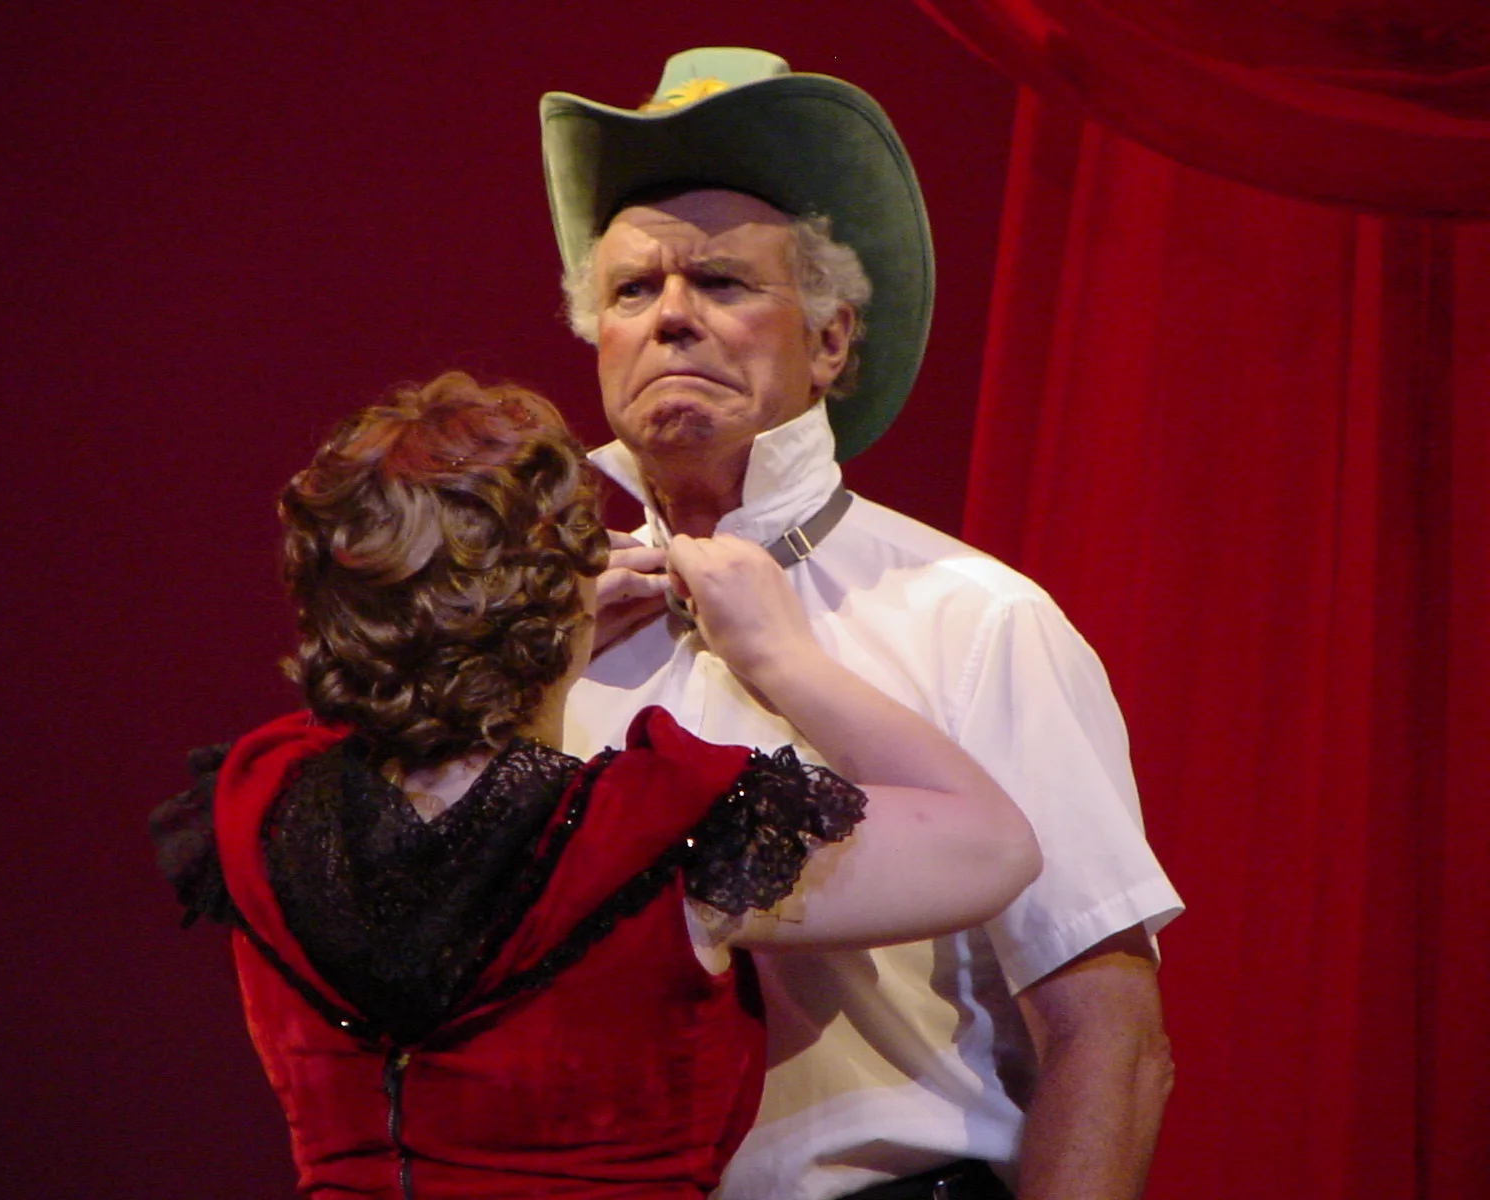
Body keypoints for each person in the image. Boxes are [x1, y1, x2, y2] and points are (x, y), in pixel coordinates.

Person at [541, 49, 1186, 1200]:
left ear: (831, 340)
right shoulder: (541, 643)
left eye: (722, 282)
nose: (672, 317)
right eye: (632, 291)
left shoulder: (974, 620)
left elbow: (1110, 1042)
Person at [150, 371, 1040, 1199]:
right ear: (559, 594)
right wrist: (781, 657)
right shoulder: (649, 832)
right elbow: (994, 848)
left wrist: (525, 648)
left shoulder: (259, 803)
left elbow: (384, 730)